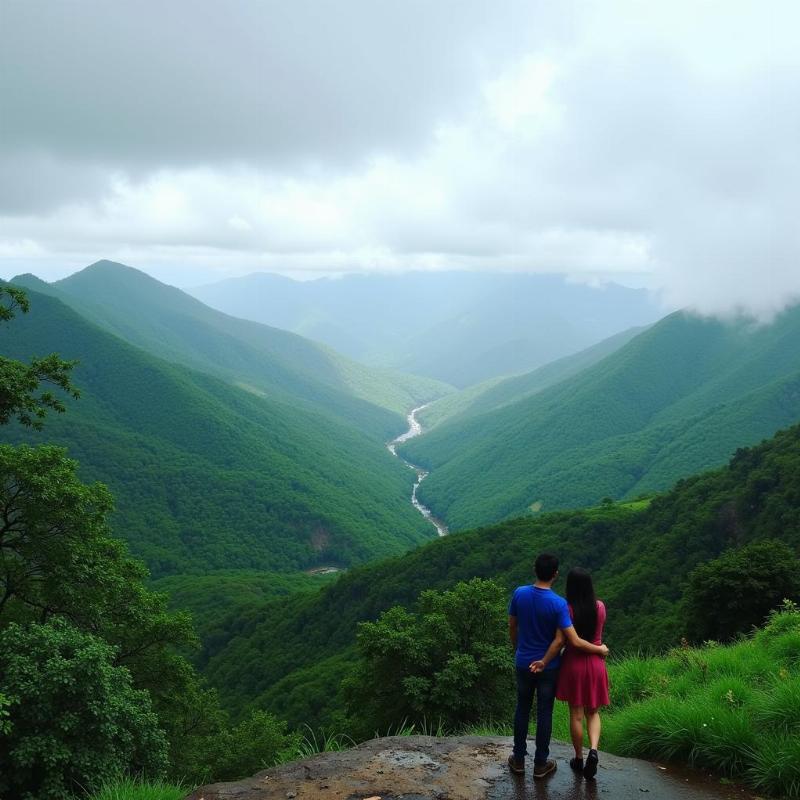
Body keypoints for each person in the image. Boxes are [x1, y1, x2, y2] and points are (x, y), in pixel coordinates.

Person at [508, 554, 609, 779]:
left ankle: (518, 759)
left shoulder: (519, 593)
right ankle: (541, 763)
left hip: (525, 662)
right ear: (555, 574)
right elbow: (559, 641)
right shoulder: (560, 604)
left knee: (522, 708)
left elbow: (512, 626)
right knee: (546, 712)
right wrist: (545, 661)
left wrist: (518, 649)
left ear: (535, 569)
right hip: (552, 666)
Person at [533, 567, 610, 781]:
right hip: (596, 664)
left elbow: (562, 641)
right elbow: (597, 635)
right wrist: (600, 648)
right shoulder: (600, 607)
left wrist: (544, 660)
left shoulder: (566, 609)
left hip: (574, 663)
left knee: (576, 714)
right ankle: (593, 750)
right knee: (593, 712)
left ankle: (578, 758)